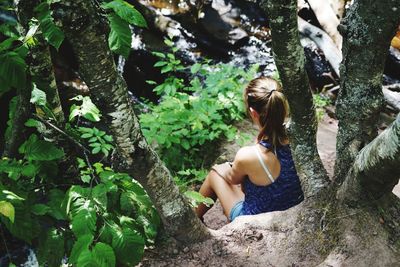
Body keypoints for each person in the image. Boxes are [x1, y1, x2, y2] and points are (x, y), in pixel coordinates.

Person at [196, 76, 304, 222]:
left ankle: (193, 220)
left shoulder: (250, 155)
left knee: (215, 174)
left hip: (256, 221)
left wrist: (225, 168)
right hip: (293, 210)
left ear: (253, 113)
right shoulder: (300, 137)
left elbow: (232, 179)